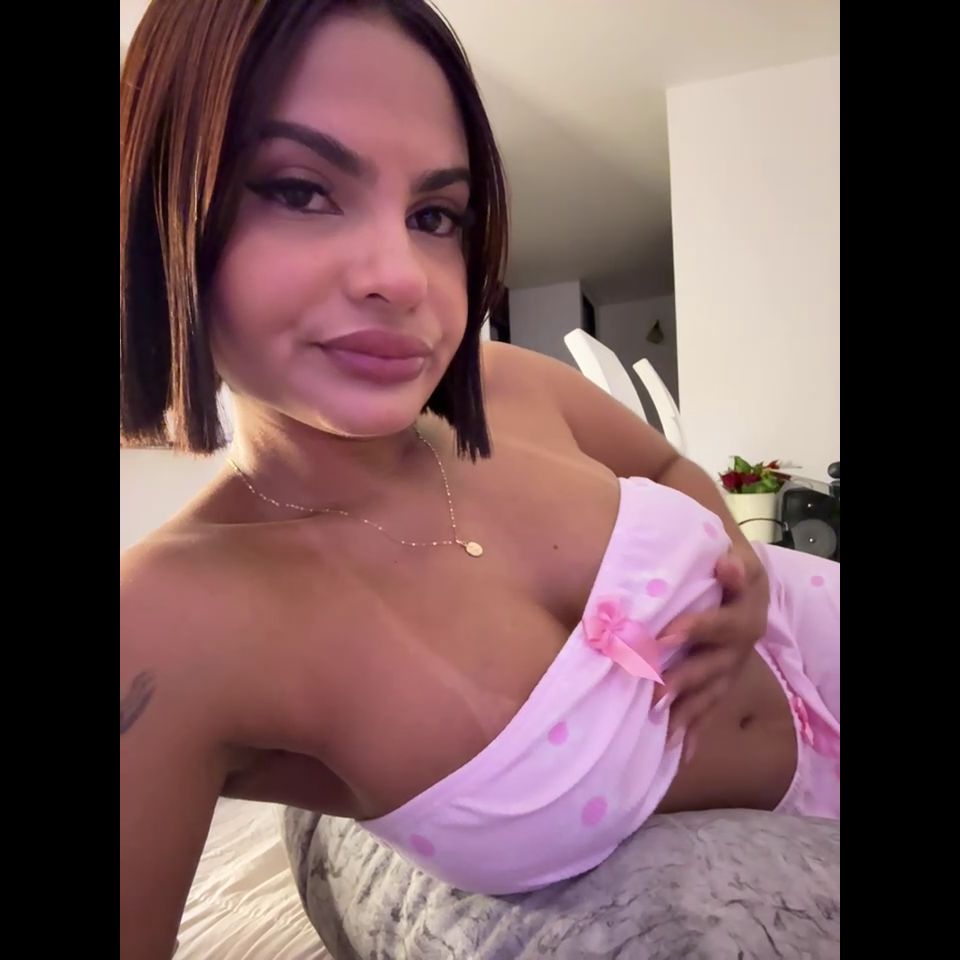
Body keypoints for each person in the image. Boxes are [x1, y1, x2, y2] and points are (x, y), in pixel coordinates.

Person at [119, 1, 839, 956]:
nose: (402, 276)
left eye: (435, 216)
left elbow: (669, 463)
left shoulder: (502, 386)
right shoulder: (168, 624)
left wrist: (739, 563)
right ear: (164, 209)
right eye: (299, 190)